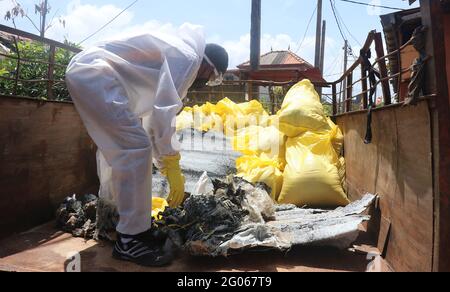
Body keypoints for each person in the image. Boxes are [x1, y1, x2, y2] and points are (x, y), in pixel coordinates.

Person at [65, 24, 228, 267]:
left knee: (123, 148)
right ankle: (130, 241)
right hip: (95, 74)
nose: (206, 82)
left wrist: (166, 164)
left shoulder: (181, 55)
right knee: (134, 149)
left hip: (93, 74)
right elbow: (163, 114)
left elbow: (154, 121)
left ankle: (122, 224)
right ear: (208, 66)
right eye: (212, 78)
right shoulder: (188, 58)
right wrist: (172, 164)